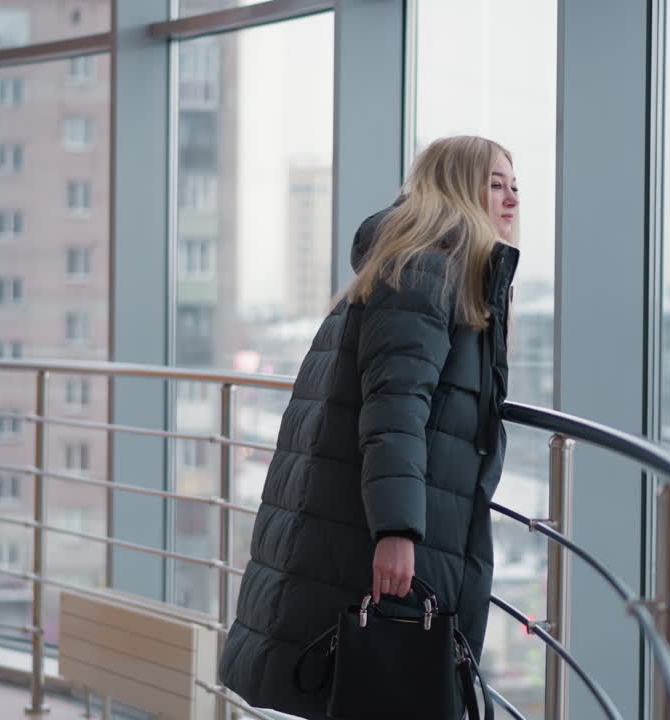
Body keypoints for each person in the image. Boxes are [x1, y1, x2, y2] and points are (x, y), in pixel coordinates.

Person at [217, 135, 521, 719]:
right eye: (494, 183)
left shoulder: (437, 271)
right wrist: (398, 530)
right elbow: (395, 407)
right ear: (456, 188)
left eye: (515, 186)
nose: (510, 198)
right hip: (399, 525)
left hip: (411, 514)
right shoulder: (428, 273)